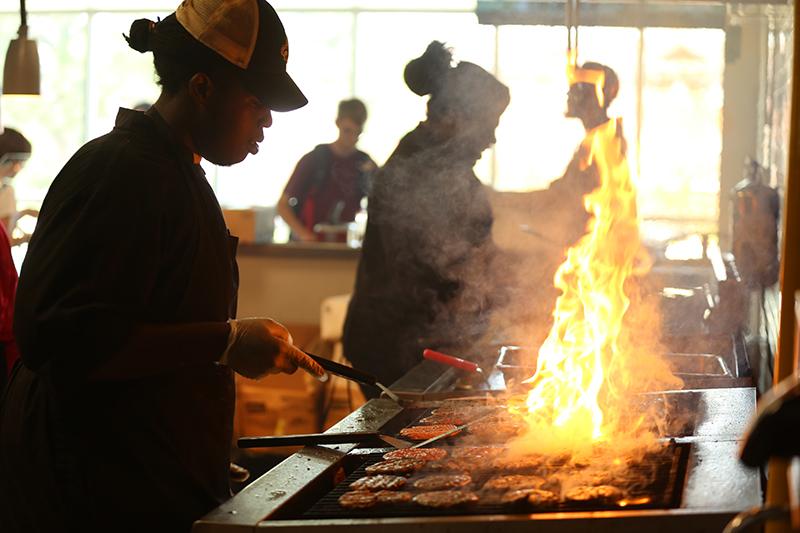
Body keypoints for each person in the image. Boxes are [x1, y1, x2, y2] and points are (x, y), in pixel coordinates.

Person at [0, 2, 324, 532]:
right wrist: (223, 340)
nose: (266, 117)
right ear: (201, 87)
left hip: (142, 472)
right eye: (256, 100)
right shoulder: (124, 172)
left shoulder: (176, 170)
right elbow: (63, 338)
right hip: (91, 492)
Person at [342, 42, 510, 396]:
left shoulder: (450, 168)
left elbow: (476, 251)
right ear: (454, 118)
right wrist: (497, 292)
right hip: (397, 346)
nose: (492, 138)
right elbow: (435, 266)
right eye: (488, 125)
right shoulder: (416, 169)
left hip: (426, 339)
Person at [277, 98, 376, 241]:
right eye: (347, 131)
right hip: (311, 247)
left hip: (346, 247)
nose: (352, 138)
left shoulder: (365, 164)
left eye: (357, 133)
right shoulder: (314, 160)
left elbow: (381, 205)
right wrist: (304, 235)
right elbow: (283, 205)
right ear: (338, 122)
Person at [0, 128, 37, 245]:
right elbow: (4, 241)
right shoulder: (6, 191)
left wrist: (23, 213)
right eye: (20, 162)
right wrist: (28, 239)